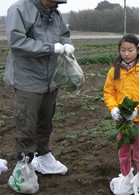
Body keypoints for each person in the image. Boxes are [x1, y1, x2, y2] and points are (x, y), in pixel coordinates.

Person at [4, 0, 74, 193]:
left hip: (50, 78)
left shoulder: (56, 13)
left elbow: (64, 35)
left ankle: (42, 156)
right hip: (27, 78)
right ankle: (23, 165)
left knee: (46, 119)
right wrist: (51, 48)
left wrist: (67, 45)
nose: (57, 4)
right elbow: (17, 42)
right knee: (27, 121)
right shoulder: (19, 9)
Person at [103, 34, 139, 194]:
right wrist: (114, 108)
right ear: (119, 50)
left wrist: (136, 110)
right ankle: (127, 177)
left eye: (130, 50)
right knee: (123, 149)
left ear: (138, 50)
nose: (126, 54)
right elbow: (109, 92)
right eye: (123, 50)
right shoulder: (114, 70)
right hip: (122, 119)